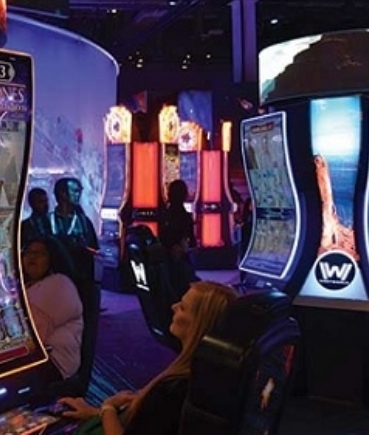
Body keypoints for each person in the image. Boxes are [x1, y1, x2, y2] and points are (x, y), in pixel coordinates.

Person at [56, 280, 238, 435]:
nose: (173, 307)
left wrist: (108, 408)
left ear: (199, 324)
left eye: (183, 307)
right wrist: (95, 412)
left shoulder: (175, 388)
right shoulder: (205, 375)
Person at [22, 237, 84, 380]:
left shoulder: (59, 283)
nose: (32, 257)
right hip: (36, 357)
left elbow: (35, 331)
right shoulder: (27, 285)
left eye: (40, 253)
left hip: (54, 362)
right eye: (28, 252)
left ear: (52, 258)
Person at [49, 177, 100, 284]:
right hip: (52, 279)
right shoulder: (47, 220)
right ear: (62, 193)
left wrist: (82, 247)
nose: (78, 195)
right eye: (75, 191)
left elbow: (95, 250)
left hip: (79, 280)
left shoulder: (84, 222)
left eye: (79, 191)